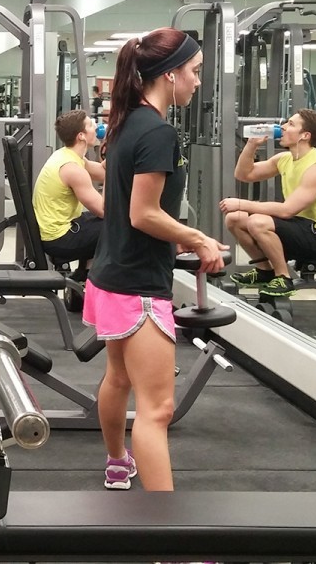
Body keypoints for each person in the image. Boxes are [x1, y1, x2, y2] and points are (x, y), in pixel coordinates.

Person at [84, 27, 226, 492]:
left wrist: (176, 239)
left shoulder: (127, 121)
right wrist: (197, 237)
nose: (197, 81)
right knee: (157, 409)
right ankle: (167, 525)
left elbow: (130, 207)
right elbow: (143, 213)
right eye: (194, 71)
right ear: (169, 74)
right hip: (138, 286)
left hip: (112, 274)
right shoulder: (157, 131)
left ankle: (117, 462)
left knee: (118, 377)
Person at [220, 108, 316, 297]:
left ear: (305, 135)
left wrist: (241, 204)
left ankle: (283, 278)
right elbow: (244, 174)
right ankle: (265, 271)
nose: (283, 127)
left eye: (291, 124)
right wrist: (251, 145)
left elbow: (287, 210)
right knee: (234, 219)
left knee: (257, 222)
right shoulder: (285, 159)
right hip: (300, 225)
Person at [33, 109, 105, 268]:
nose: (96, 127)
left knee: (99, 221)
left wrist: (116, 152)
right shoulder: (72, 168)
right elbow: (104, 210)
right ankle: (96, 276)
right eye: (91, 125)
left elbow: (103, 172)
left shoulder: (67, 155)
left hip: (58, 229)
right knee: (117, 226)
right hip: (59, 240)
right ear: (81, 135)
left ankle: (84, 274)